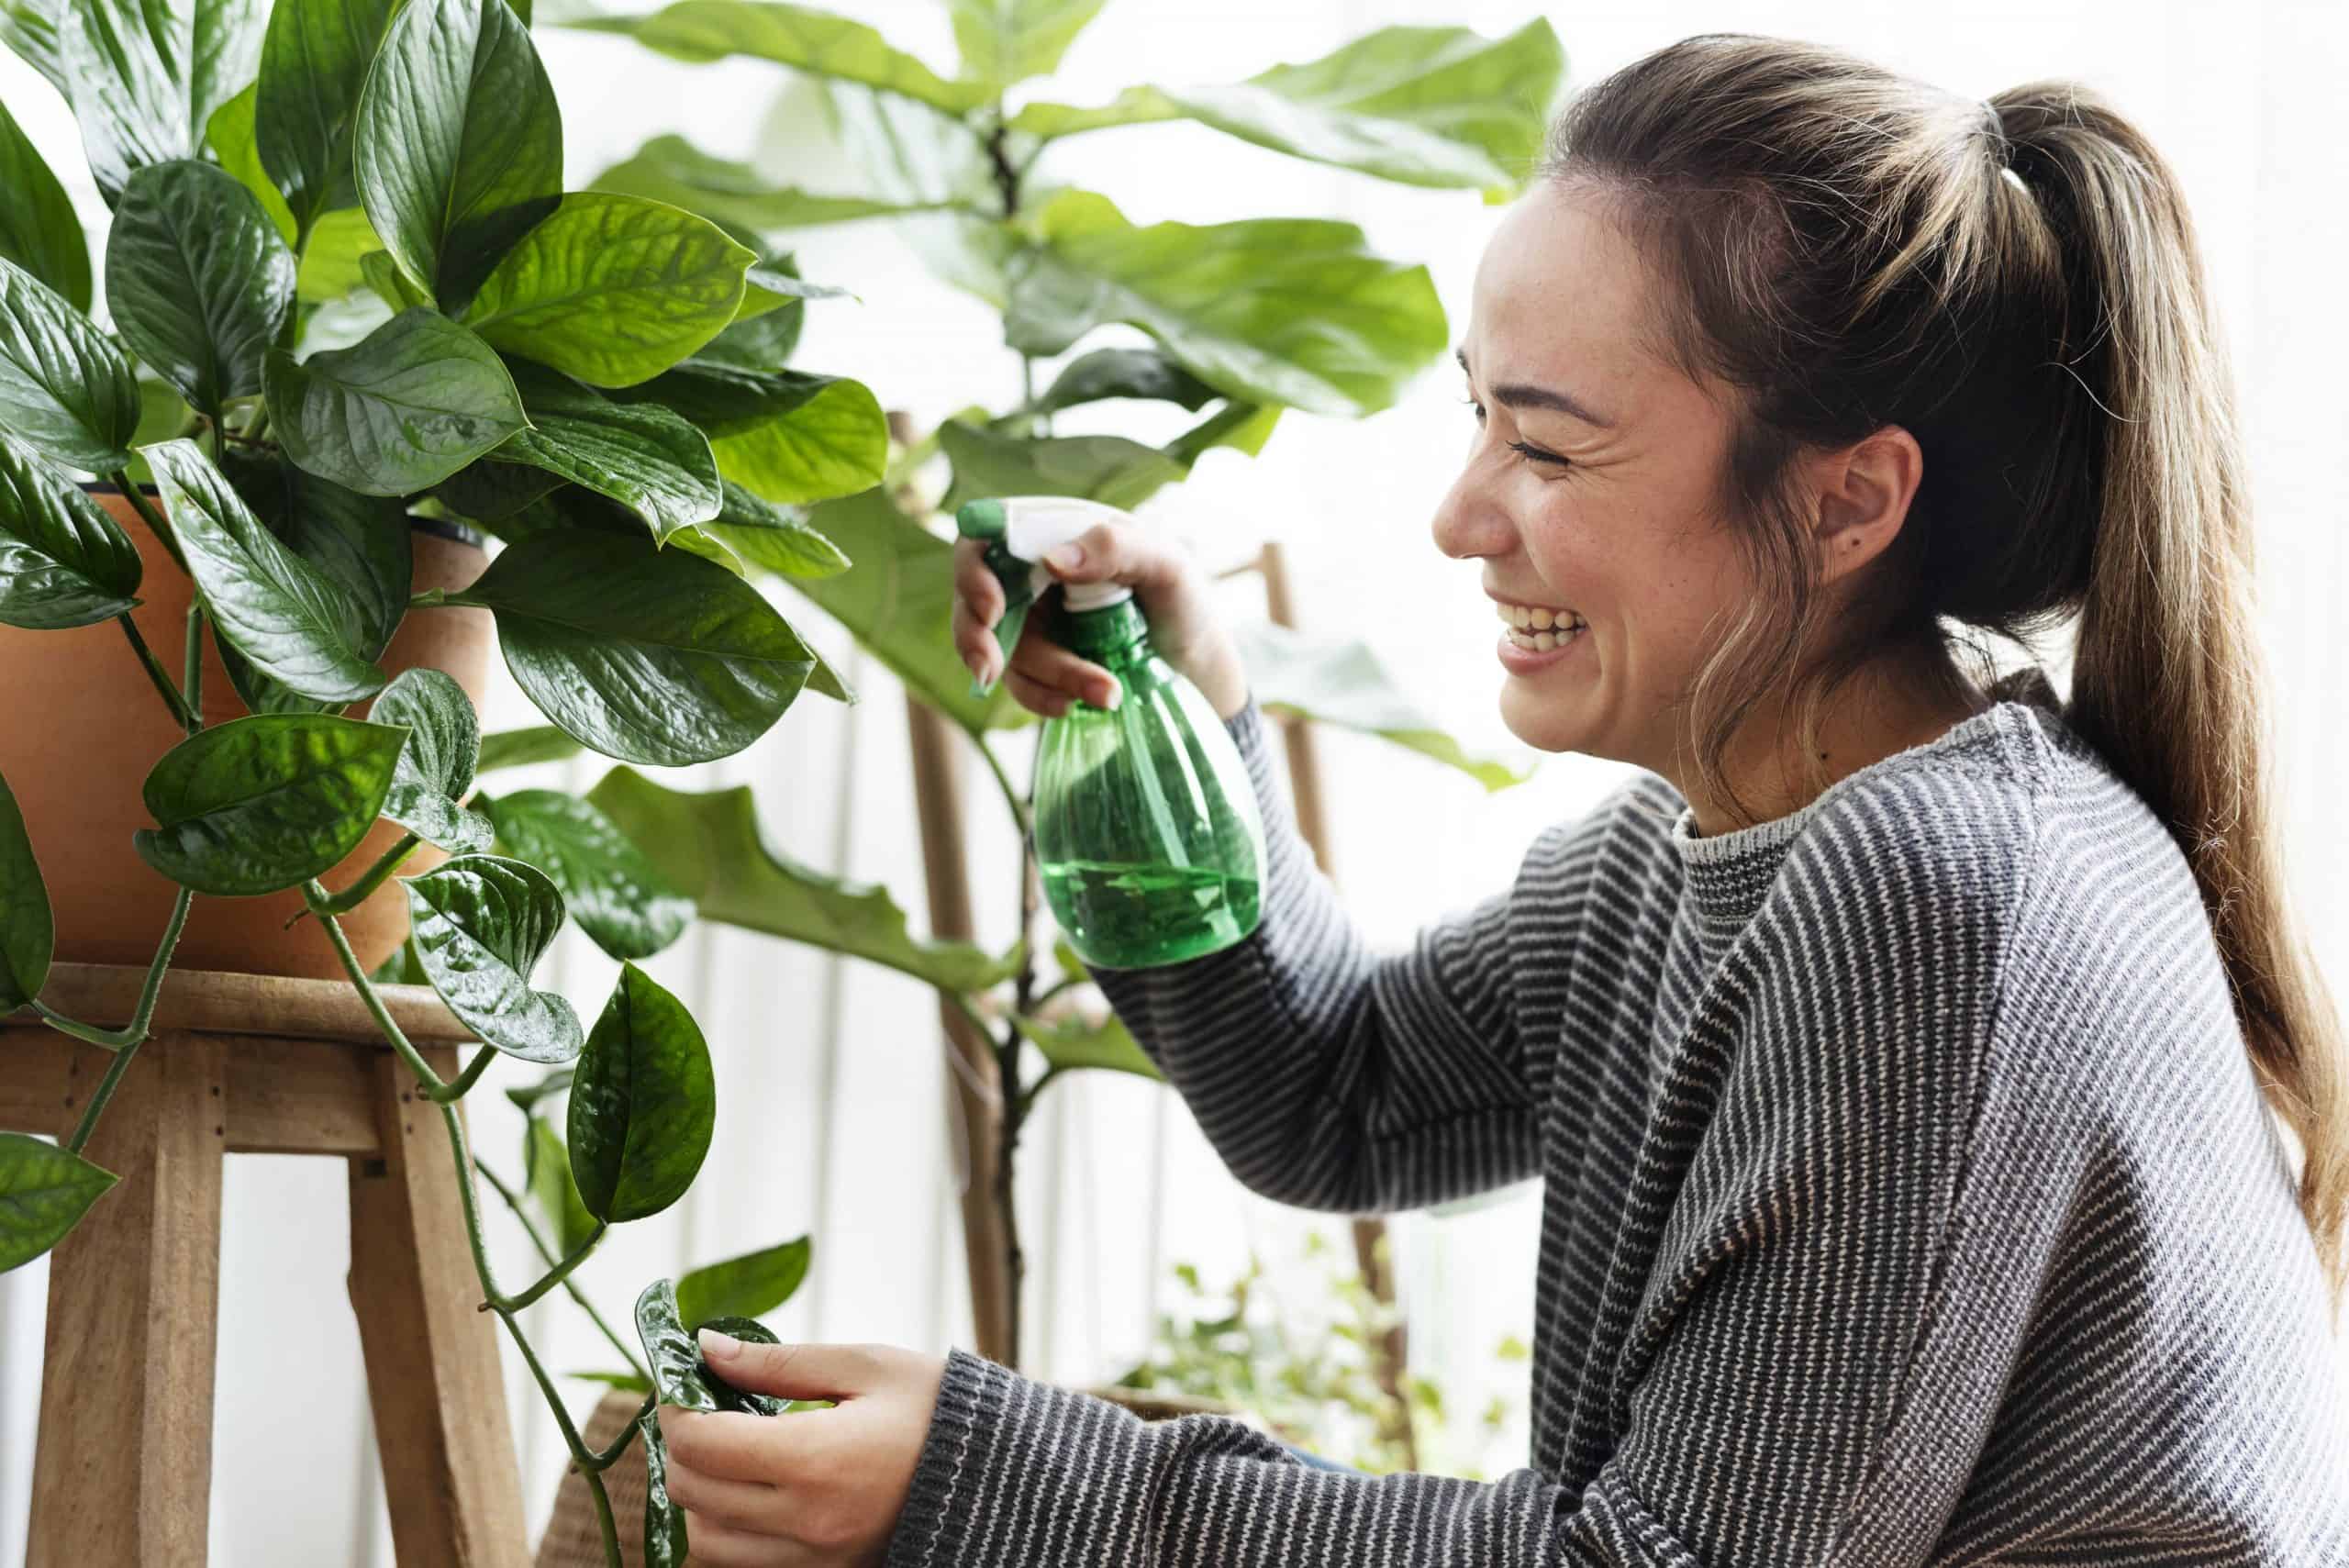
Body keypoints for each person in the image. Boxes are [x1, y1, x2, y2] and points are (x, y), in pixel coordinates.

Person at [650, 32, 2349, 1567]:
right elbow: (1333, 1092)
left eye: (1546, 447)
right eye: (1479, 416)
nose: (1464, 515)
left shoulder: (1953, 898)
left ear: (1848, 504)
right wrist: (1182, 711)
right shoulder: (1686, 854)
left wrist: (993, 1479)